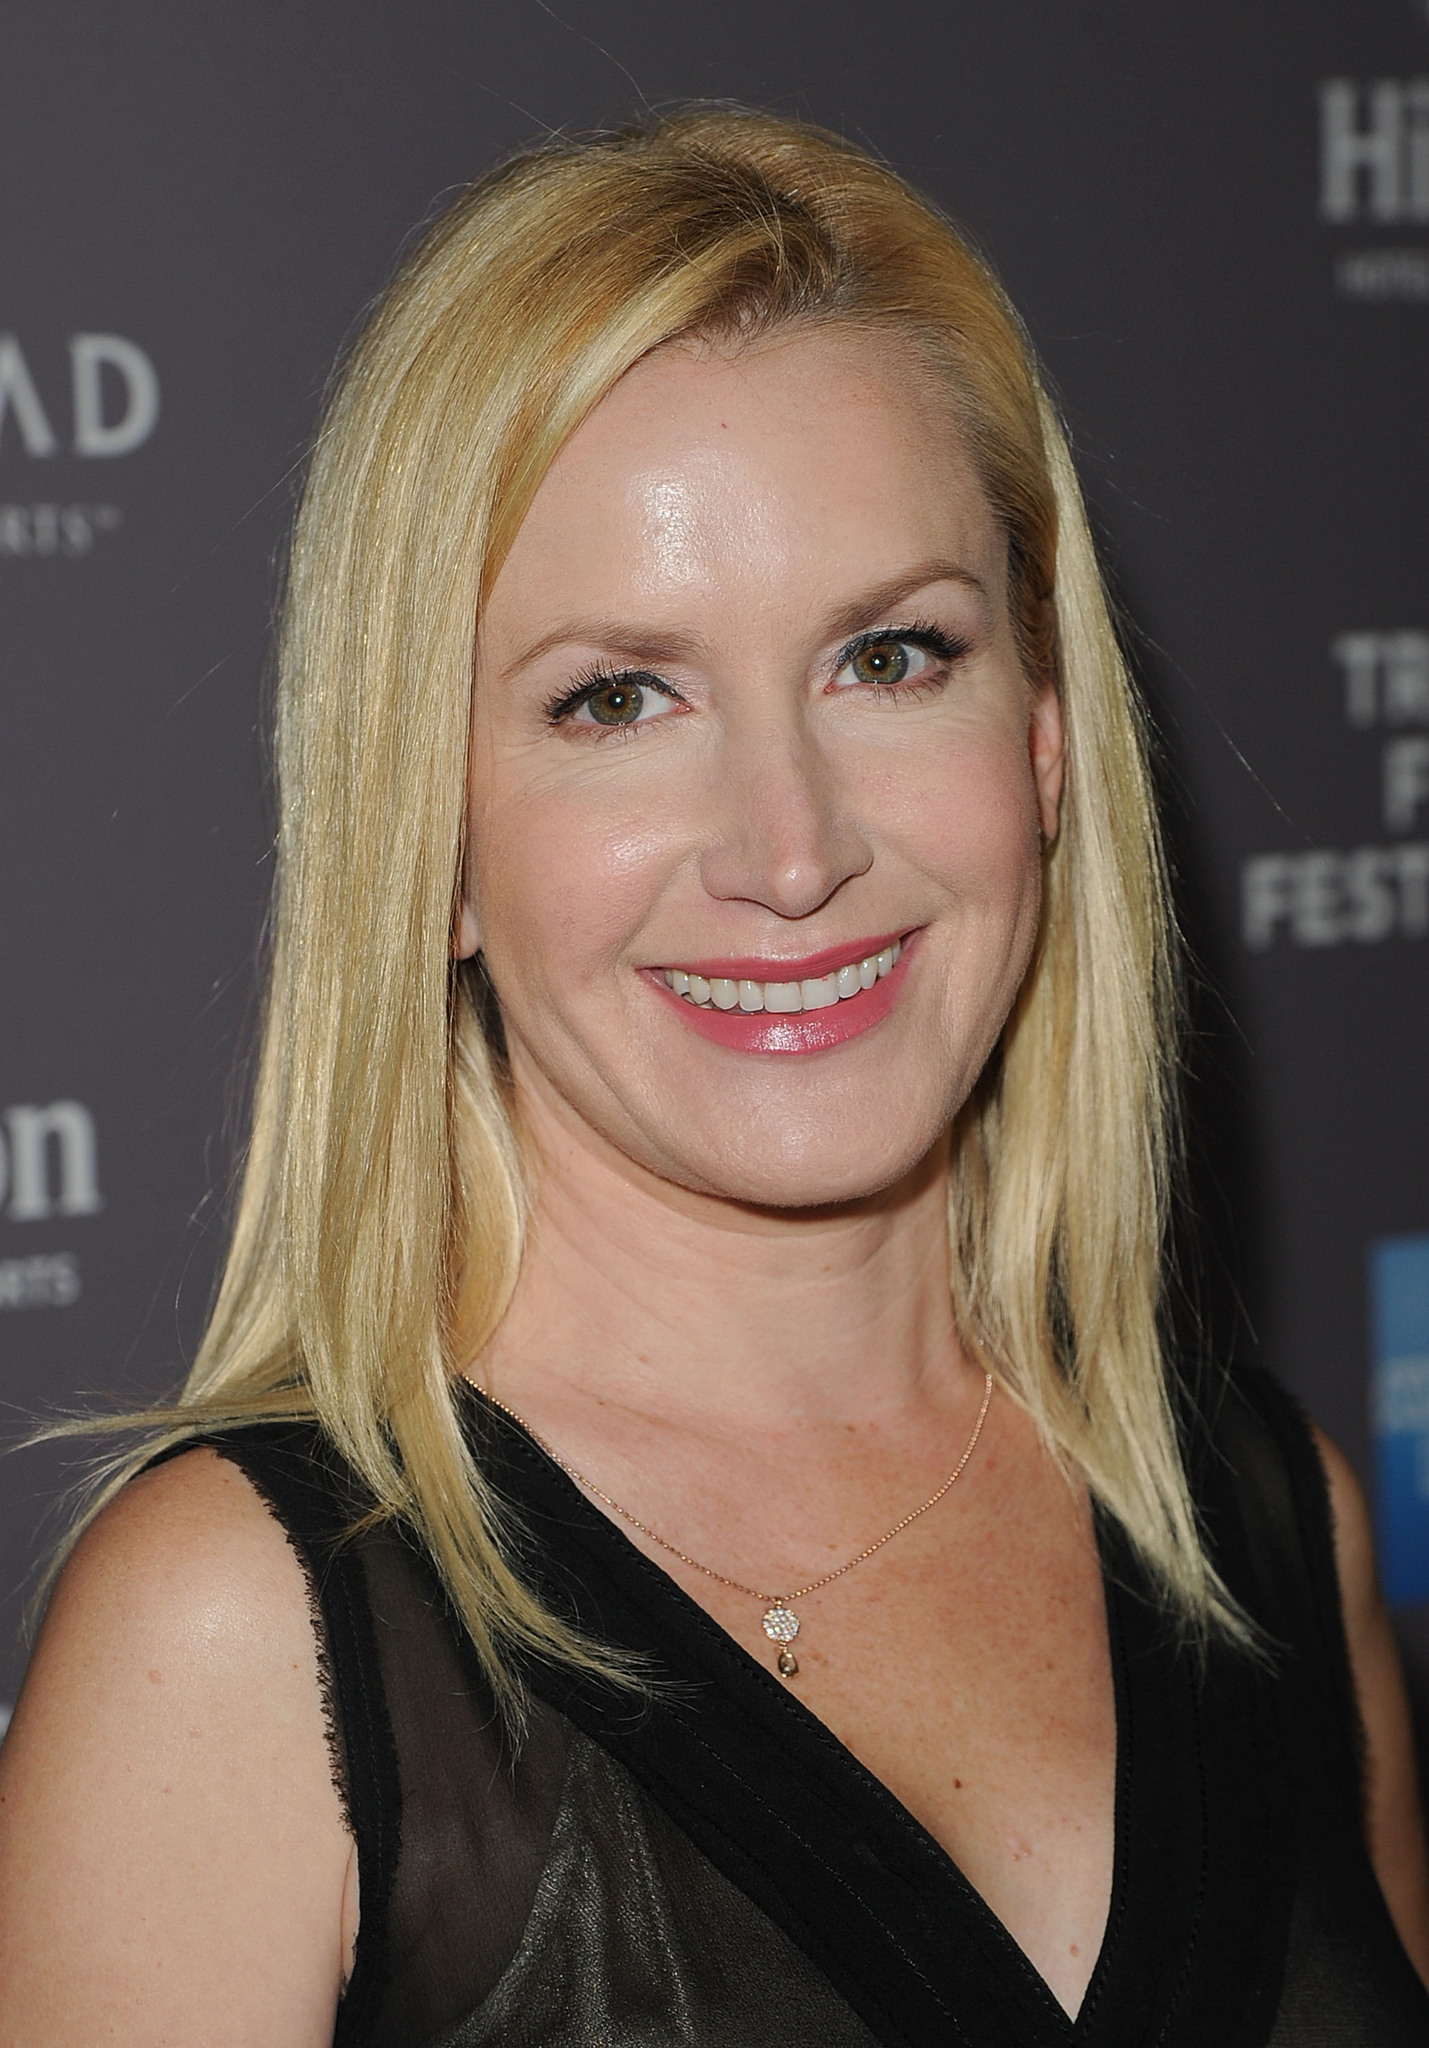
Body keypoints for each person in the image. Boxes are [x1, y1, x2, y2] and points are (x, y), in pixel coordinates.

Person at [0, 107, 1425, 2047]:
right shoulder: (241, 1645)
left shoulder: (1263, 1522)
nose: (789, 846)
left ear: (1041, 739)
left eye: (889, 658)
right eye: (617, 697)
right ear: (429, 839)